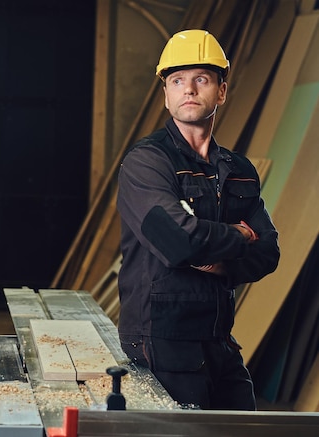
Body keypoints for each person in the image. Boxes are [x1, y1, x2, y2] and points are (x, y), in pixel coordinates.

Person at [116, 29, 280, 410]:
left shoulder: (238, 170)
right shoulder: (146, 163)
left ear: (221, 91)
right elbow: (179, 242)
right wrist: (241, 235)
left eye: (201, 79)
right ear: (166, 95)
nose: (188, 89)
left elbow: (269, 252)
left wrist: (220, 261)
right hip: (162, 343)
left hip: (220, 340)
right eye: (177, 81)